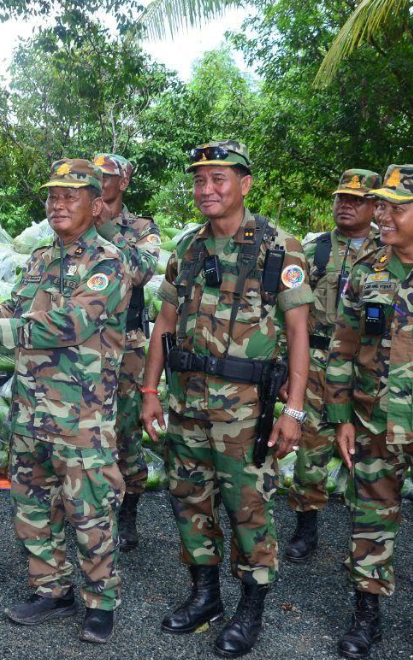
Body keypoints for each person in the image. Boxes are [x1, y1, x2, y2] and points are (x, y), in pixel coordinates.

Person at [140, 140, 311, 658]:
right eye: (199, 180)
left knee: (248, 508)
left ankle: (250, 607)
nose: (207, 189)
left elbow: (298, 332)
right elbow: (165, 322)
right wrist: (149, 391)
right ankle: (205, 595)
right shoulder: (188, 248)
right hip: (187, 403)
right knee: (188, 499)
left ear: (245, 184)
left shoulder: (280, 247)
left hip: (245, 412)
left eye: (219, 179)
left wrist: (294, 410)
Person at [0, 159, 130, 644]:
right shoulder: (40, 258)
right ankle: (52, 590)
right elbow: (18, 305)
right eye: (53, 195)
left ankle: (101, 602)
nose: (58, 204)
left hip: (81, 417)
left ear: (96, 205)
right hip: (30, 410)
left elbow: (73, 323)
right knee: (32, 505)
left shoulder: (107, 262)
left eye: (70, 195)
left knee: (89, 510)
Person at [326, 164, 413, 659]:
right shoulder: (367, 270)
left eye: (397, 208)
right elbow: (342, 346)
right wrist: (341, 416)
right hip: (375, 420)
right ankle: (366, 614)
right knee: (371, 518)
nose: (383, 216)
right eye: (381, 206)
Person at [285, 169, 381, 564]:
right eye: (342, 198)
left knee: (371, 452)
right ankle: (305, 528)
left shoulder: (389, 250)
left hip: (372, 368)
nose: (346, 206)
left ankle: (368, 541)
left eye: (357, 200)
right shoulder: (314, 251)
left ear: (375, 205)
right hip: (319, 363)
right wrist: (286, 367)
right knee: (311, 449)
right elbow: (289, 314)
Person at [92, 153, 161, 550]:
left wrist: (104, 227)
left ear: (123, 183)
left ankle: (129, 512)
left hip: (127, 346)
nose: (99, 182)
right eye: (95, 176)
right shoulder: (76, 220)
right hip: (84, 344)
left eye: (106, 177)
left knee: (126, 430)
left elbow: (139, 271)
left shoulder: (141, 228)